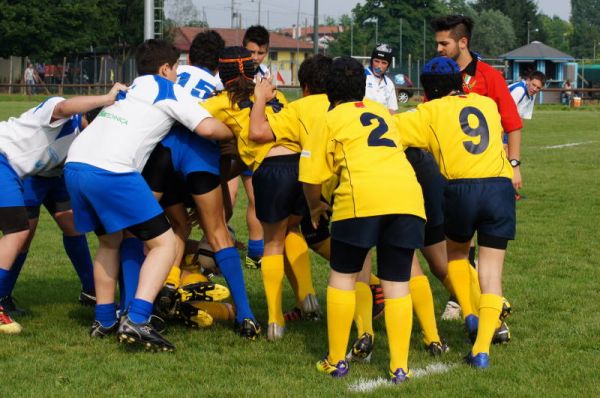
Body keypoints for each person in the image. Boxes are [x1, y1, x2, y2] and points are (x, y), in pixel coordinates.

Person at [64, 39, 233, 351]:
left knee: (110, 241)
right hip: (111, 170)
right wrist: (233, 133)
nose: (178, 74)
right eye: (176, 69)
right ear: (165, 68)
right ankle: (138, 319)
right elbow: (208, 128)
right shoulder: (166, 88)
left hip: (76, 164)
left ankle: (104, 318)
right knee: (165, 243)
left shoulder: (129, 88)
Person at [300, 56, 426, 383]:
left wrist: (315, 207)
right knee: (397, 283)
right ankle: (400, 366)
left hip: (361, 198)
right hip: (407, 197)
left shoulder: (329, 119)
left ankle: (336, 360)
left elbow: (311, 178)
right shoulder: (381, 110)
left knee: (343, 277)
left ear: (328, 89)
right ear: (364, 85)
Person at [394, 56, 516, 369]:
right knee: (491, 276)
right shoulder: (486, 103)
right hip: (500, 188)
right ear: (460, 83)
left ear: (426, 91)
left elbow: (388, 131)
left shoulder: (427, 112)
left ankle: (472, 314)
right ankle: (482, 349)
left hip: (462, 189)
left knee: (458, 256)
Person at [142, 33, 261, 339]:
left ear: (188, 60)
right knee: (218, 233)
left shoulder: (171, 76)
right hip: (200, 152)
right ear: (221, 68)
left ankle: (159, 290)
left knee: (166, 227)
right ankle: (245, 315)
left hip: (163, 149)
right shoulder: (223, 89)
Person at [0, 84, 126, 334]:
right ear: (90, 117)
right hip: (18, 168)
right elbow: (64, 106)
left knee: (73, 226)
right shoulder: (60, 111)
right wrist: (107, 97)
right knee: (20, 235)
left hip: (53, 177)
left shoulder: (90, 136)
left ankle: (91, 289)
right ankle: (2, 297)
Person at [432, 15, 521, 336]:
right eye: (437, 43)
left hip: (486, 174)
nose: (439, 48)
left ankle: (474, 308)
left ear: (463, 42)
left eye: (444, 43)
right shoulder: (438, 75)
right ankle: (470, 304)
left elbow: (511, 123)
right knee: (459, 242)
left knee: (466, 247)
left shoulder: (489, 77)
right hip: (451, 175)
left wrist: (515, 164)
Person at [364, 43, 399, 114]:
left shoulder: (389, 83)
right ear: (371, 61)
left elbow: (393, 111)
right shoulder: (361, 77)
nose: (379, 66)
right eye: (376, 61)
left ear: (388, 65)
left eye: (384, 63)